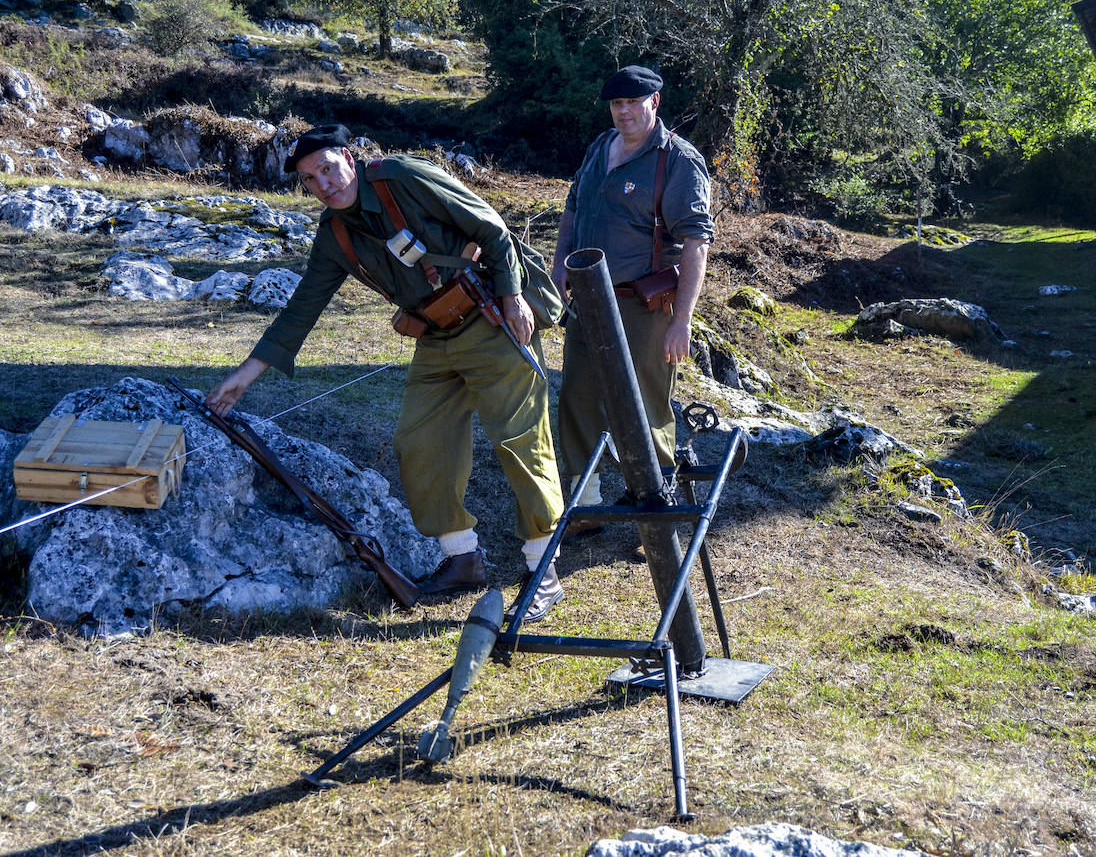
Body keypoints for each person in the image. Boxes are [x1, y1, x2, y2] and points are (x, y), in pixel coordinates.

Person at [206, 125, 568, 621]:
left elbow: (492, 229)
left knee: (519, 438)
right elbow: (301, 308)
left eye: (328, 168)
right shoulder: (333, 234)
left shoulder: (402, 177)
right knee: (419, 440)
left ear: (348, 158)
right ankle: (462, 558)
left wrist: (511, 296)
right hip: (437, 335)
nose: (324, 184)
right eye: (311, 179)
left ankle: (542, 568)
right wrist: (245, 375)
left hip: (491, 316)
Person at [552, 66, 715, 519]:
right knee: (578, 397)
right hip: (586, 300)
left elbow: (697, 243)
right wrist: (558, 265)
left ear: (655, 103)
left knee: (646, 403)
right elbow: (572, 208)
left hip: (643, 305)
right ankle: (585, 506)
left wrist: (681, 322)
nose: (623, 112)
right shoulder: (599, 147)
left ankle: (656, 507)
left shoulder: (677, 160)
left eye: (632, 103)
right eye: (616, 104)